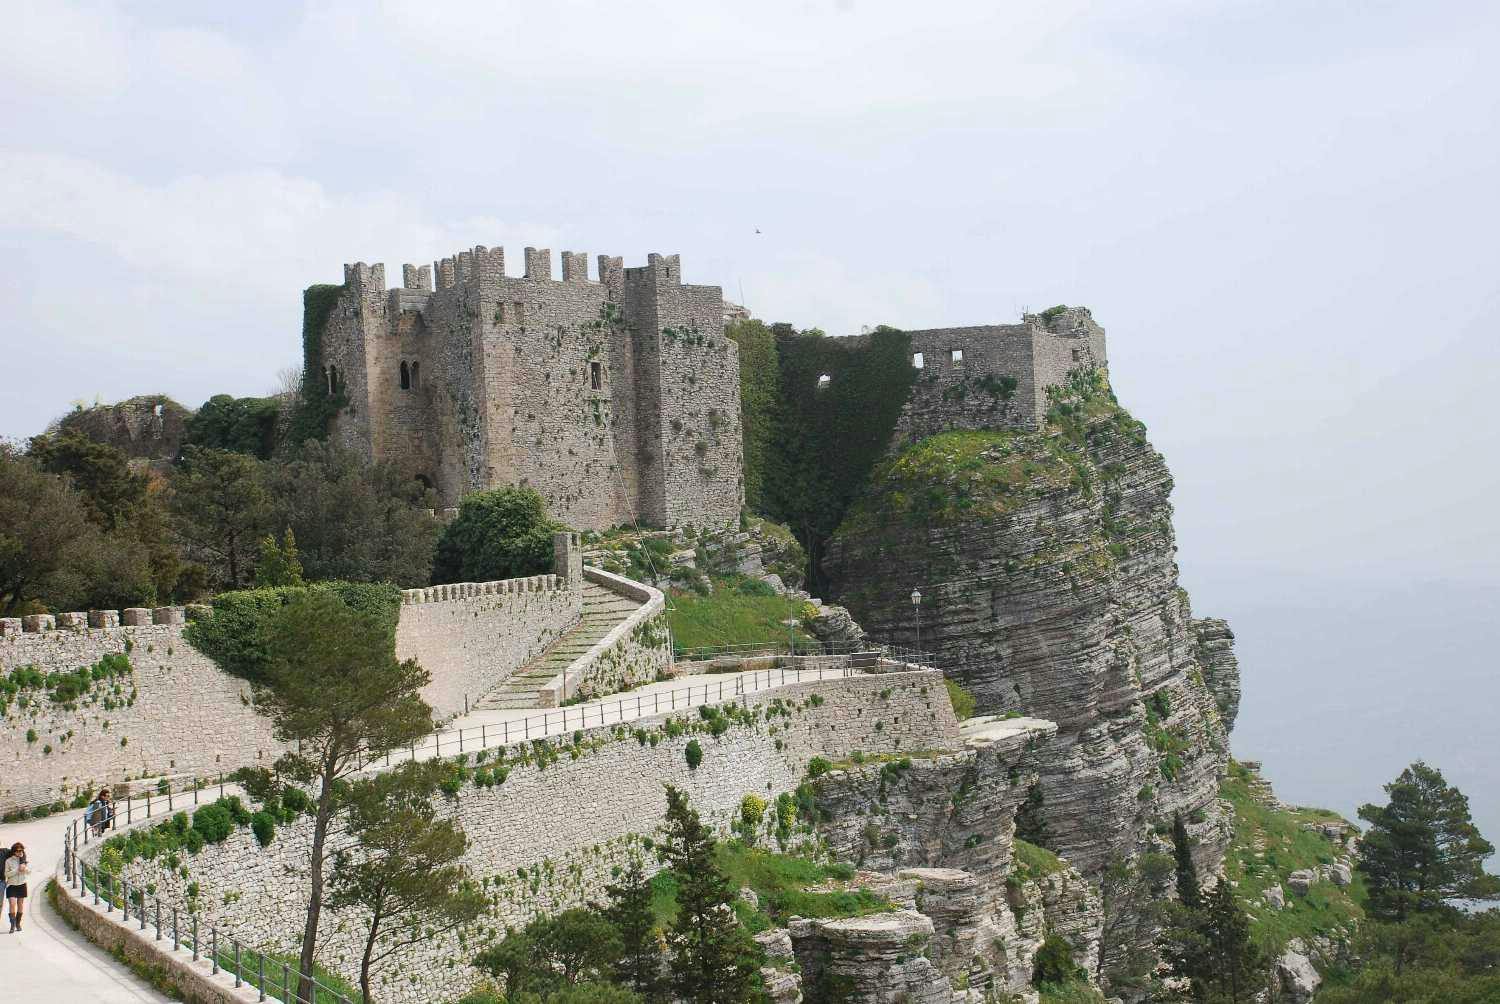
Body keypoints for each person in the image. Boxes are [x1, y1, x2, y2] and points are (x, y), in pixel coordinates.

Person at [5, 843, 28, 932]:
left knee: (20, 905)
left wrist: (25, 869)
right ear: (14, 851)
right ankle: (12, 924)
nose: (20, 852)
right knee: (12, 904)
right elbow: (6, 874)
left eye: (21, 850)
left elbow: (29, 872)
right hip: (11, 885)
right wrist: (17, 870)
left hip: (22, 884)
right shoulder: (8, 861)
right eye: (18, 851)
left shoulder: (23, 860)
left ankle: (18, 923)